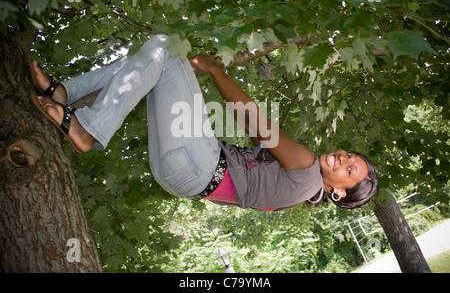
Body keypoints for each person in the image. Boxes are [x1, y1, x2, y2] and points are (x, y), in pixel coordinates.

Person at [30, 35, 378, 211]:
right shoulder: (295, 194)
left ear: (338, 192)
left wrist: (215, 70)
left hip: (201, 165)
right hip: (180, 177)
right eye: (349, 156)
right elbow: (255, 151)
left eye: (349, 170)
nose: (342, 159)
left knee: (167, 45)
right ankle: (65, 91)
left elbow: (253, 119)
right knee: (150, 64)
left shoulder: (306, 170)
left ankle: (86, 128)